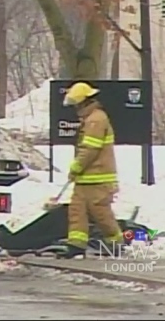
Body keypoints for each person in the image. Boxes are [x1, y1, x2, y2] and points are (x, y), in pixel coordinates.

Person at [58, 82, 123, 259]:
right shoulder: (91, 118)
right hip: (86, 178)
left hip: (98, 177)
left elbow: (90, 149)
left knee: (101, 213)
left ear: (83, 102)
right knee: (76, 211)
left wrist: (76, 166)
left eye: (76, 105)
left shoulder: (96, 120)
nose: (75, 109)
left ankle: (116, 244)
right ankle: (76, 245)